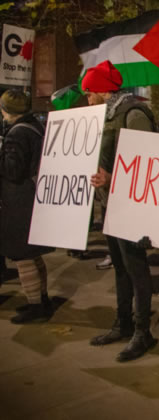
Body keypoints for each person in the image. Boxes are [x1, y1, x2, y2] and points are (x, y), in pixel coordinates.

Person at [85, 60, 158, 362]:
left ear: (103, 90)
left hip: (131, 206)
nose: (87, 98)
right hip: (111, 203)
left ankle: (143, 332)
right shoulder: (110, 115)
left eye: (89, 92)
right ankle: (124, 323)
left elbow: (146, 164)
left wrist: (112, 179)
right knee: (120, 266)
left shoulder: (133, 114)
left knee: (136, 269)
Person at [0, 89, 53, 324]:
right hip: (34, 197)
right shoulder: (34, 126)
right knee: (33, 255)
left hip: (19, 200)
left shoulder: (16, 134)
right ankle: (42, 298)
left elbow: (13, 171)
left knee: (22, 257)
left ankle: (36, 306)